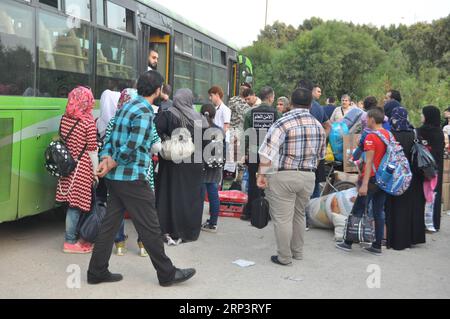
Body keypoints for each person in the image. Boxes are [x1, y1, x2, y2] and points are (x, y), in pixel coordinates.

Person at [88, 71, 196, 287]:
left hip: (116, 179)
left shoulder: (126, 106)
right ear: (158, 90)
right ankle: (167, 274)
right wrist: (113, 160)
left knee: (109, 226)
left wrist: (106, 158)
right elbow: (132, 145)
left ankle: (96, 271)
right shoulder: (146, 112)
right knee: (151, 226)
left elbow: (109, 137)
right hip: (133, 178)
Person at [257, 88, 326, 266]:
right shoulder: (318, 125)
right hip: (308, 177)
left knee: (283, 219)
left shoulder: (283, 122)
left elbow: (267, 153)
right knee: (299, 215)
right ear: (310, 104)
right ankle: (298, 252)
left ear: (290, 103)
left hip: (284, 176)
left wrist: (261, 175)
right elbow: (320, 156)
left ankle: (284, 257)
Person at [105, 88, 161, 257]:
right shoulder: (144, 117)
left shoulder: (114, 119)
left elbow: (106, 143)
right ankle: (144, 246)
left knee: (114, 217)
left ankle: (119, 245)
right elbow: (155, 145)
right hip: (138, 173)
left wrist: (108, 160)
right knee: (144, 215)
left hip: (114, 175)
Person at [156, 88, 209, 244]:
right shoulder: (199, 118)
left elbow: (154, 132)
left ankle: (170, 230)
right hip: (195, 165)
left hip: (173, 165)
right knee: (191, 199)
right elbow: (206, 143)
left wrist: (167, 139)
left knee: (171, 196)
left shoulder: (169, 114)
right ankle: (189, 232)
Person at [336, 108, 389, 256]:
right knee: (379, 211)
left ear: (372, 119)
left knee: (358, 209)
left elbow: (370, 160)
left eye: (367, 119)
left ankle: (347, 242)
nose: (366, 121)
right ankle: (377, 245)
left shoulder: (371, 137)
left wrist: (364, 184)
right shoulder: (388, 135)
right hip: (384, 179)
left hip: (371, 179)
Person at [57, 86, 98, 254]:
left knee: (73, 204)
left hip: (67, 166)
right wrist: (96, 172)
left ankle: (73, 236)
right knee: (75, 206)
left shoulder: (64, 119)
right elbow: (92, 150)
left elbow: (62, 138)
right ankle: (70, 241)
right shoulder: (88, 122)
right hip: (81, 168)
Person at [385, 107, 426, 250]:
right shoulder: (414, 133)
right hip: (412, 177)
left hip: (395, 177)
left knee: (393, 207)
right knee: (408, 208)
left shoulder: (390, 135)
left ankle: (393, 241)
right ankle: (408, 240)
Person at [241, 87, 281, 222]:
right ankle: (266, 212)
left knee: (252, 181)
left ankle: (250, 212)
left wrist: (244, 153)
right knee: (268, 182)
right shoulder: (277, 114)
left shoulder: (249, 113)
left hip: (253, 152)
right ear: (270, 98)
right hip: (269, 153)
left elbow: (246, 136)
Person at [417, 106, 445, 232]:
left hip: (424, 168)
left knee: (423, 194)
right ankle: (433, 223)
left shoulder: (422, 131)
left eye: (423, 114)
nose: (421, 116)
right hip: (436, 168)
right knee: (434, 195)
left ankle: (423, 223)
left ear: (428, 116)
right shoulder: (439, 132)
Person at [200, 103, 225, 233]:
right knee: (214, 195)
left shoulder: (200, 129)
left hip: (202, 166)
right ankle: (213, 223)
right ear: (214, 115)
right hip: (216, 166)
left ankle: (195, 221)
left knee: (199, 195)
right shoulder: (220, 130)